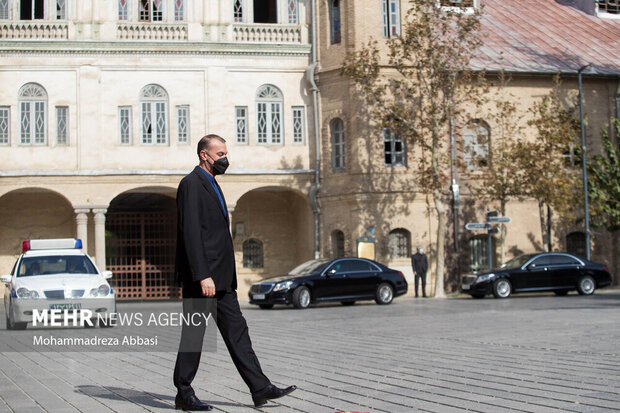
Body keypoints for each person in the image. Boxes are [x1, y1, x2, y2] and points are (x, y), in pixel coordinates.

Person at [173, 134, 296, 411]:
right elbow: (190, 232)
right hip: (202, 279)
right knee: (194, 335)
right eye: (219, 154)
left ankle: (260, 387)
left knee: (238, 332)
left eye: (225, 153)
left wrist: (222, 277)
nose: (224, 159)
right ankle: (183, 391)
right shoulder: (191, 184)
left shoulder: (213, 183)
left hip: (222, 279)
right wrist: (202, 275)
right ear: (204, 155)